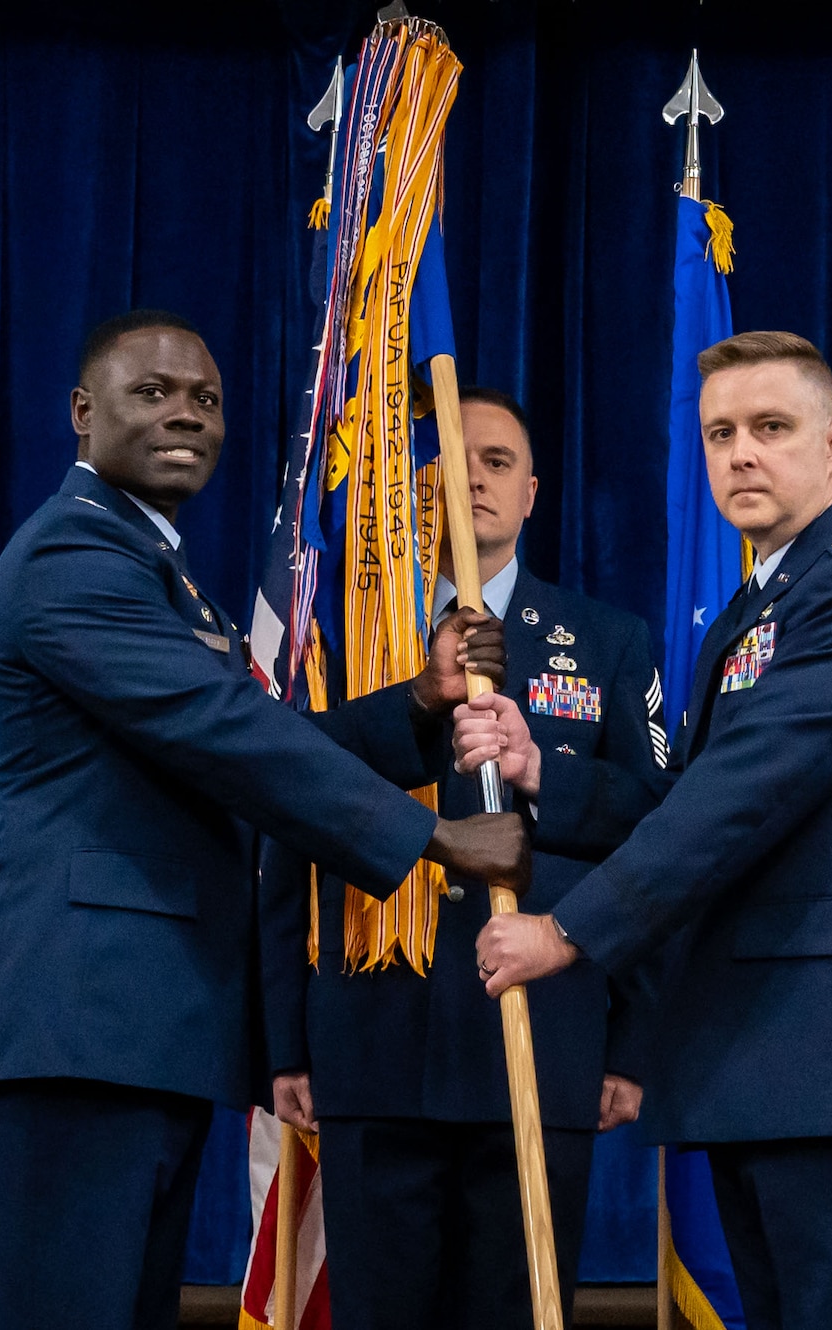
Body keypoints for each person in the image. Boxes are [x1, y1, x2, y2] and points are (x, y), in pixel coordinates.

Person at [0, 310, 530, 1330]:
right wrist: (431, 838)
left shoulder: (154, 571)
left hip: (131, 1033)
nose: (186, 416)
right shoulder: (71, 559)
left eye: (204, 400)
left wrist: (421, 703)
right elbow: (221, 732)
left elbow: (249, 736)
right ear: (82, 413)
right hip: (67, 1028)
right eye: (152, 392)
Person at [465, 332, 832, 1330]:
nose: (740, 452)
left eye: (769, 428)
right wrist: (548, 776)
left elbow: (745, 791)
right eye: (719, 433)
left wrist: (566, 931)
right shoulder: (757, 604)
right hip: (767, 1061)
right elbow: (691, 795)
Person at [257, 387, 669, 1330]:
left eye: (495, 462)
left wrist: (631, 1043)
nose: (470, 480)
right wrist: (284, 1041)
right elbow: (285, 821)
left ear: (531, 492)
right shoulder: (346, 637)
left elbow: (657, 833)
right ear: (408, 493)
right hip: (371, 1037)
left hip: (545, 1033)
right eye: (445, 462)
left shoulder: (607, 641)